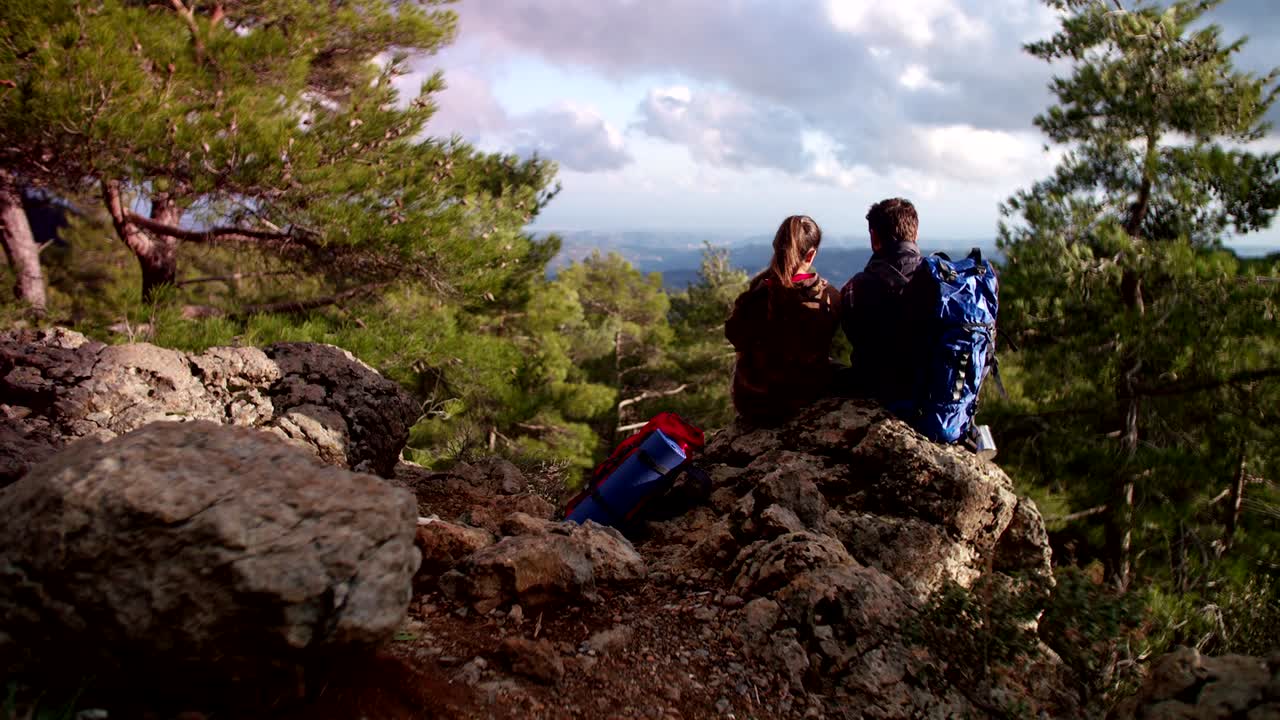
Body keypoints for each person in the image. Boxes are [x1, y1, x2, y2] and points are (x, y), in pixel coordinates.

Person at [725, 215, 841, 425]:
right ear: (811, 255)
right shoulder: (828, 297)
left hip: (751, 402)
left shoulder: (755, 294)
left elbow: (734, 335)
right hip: (799, 400)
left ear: (775, 246)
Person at [838, 198, 931, 413]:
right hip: (930, 396)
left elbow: (850, 331)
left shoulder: (857, 287)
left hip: (874, 392)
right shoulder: (940, 280)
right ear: (915, 234)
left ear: (874, 237)